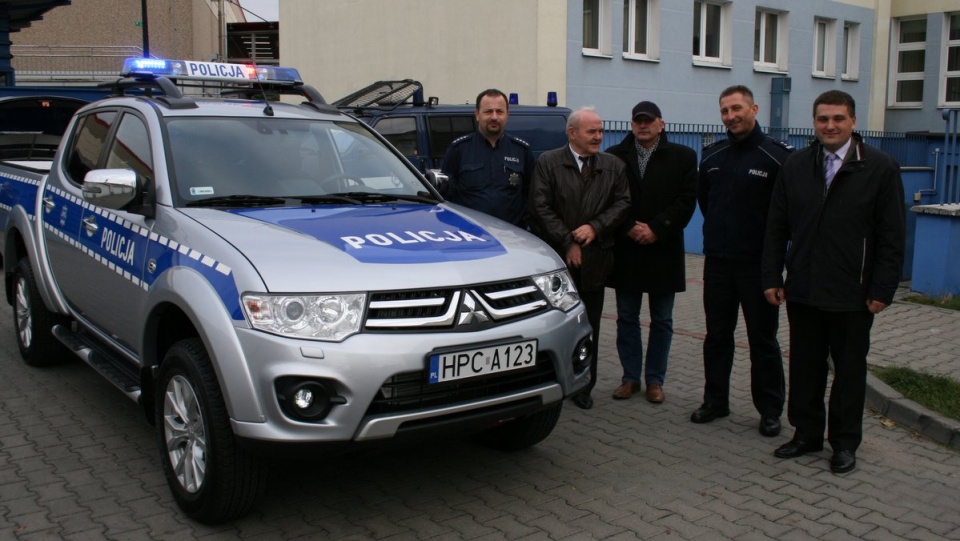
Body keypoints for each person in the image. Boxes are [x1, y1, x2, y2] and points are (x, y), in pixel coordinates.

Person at [762, 90, 905, 474]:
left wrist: (881, 289)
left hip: (853, 294)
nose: (830, 125)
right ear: (814, 122)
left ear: (853, 122)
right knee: (805, 366)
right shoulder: (796, 165)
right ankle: (806, 434)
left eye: (838, 119)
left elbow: (892, 236)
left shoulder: (880, 167)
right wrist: (773, 276)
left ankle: (843, 443)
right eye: (823, 119)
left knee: (849, 370)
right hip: (804, 288)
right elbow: (776, 226)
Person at [690, 85, 793, 437]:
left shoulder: (777, 157)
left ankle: (770, 410)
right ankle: (716, 400)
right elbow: (706, 201)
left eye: (737, 109)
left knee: (763, 341)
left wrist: (774, 269)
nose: (730, 116)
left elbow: (785, 217)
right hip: (718, 263)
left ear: (754, 109)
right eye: (724, 111)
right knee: (717, 336)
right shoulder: (712, 156)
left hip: (758, 267)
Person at [529, 107, 631, 410]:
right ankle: (553, 378)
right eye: (592, 131)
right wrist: (568, 241)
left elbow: (623, 203)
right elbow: (540, 207)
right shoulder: (548, 162)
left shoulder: (613, 166)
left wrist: (594, 228)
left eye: (600, 131)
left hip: (596, 259)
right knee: (555, 322)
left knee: (590, 324)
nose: (598, 137)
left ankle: (585, 383)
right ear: (572, 133)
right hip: (557, 262)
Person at [606, 101, 697, 404]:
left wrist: (657, 228)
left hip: (663, 248)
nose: (643, 126)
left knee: (662, 320)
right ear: (631, 125)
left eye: (648, 121)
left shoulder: (683, 157)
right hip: (627, 248)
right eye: (637, 121)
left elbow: (686, 201)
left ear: (661, 123)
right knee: (627, 317)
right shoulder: (615, 157)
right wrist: (629, 226)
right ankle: (630, 378)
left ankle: (655, 380)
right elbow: (607, 199)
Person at [441, 89, 536, 228]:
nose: (494, 117)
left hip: (512, 234)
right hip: (471, 232)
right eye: (488, 111)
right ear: (477, 114)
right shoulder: (459, 149)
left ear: (507, 115)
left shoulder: (521, 150)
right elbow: (446, 196)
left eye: (500, 111)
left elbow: (531, 194)